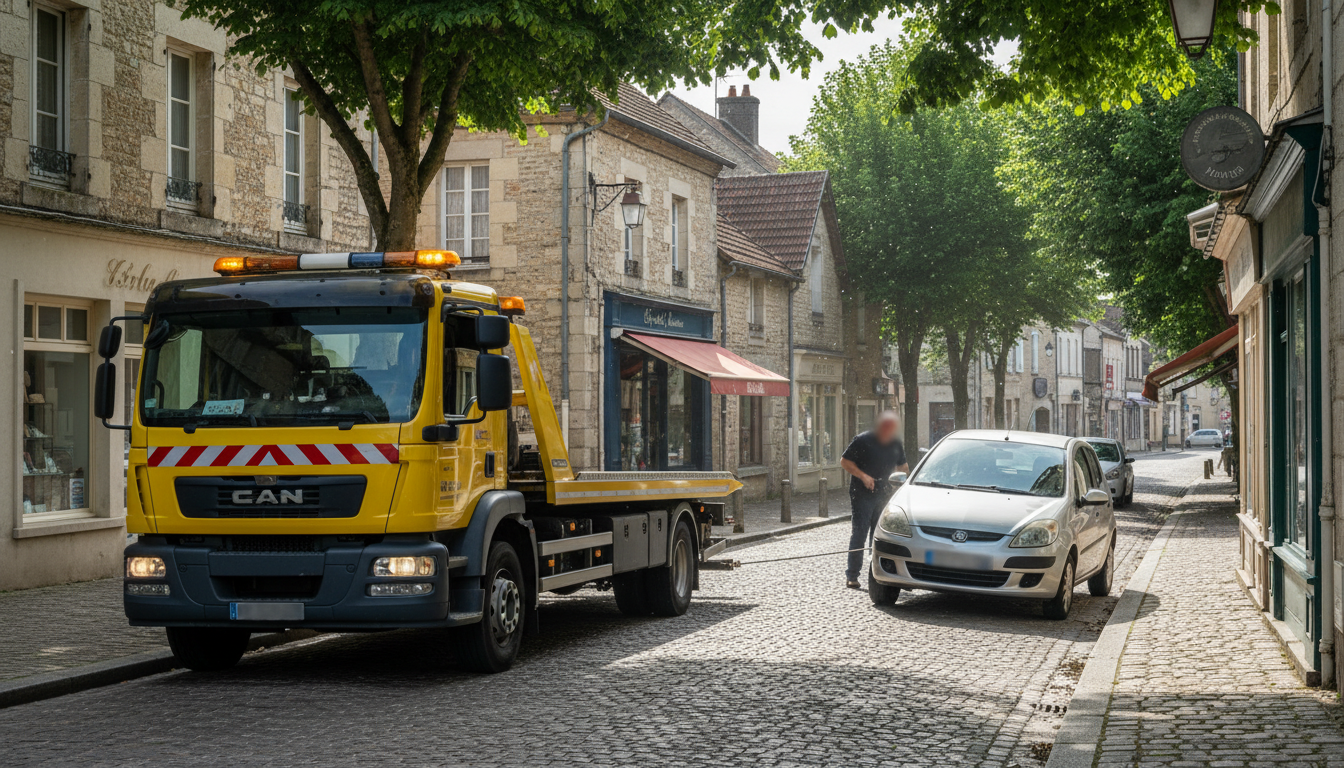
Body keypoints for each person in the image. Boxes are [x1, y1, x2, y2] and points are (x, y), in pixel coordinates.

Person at [839, 411, 909, 588]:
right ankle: (852, 575)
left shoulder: (895, 443)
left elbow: (903, 467)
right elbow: (845, 462)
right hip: (862, 493)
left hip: (885, 492)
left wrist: (901, 479)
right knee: (860, 533)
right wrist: (863, 476)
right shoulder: (863, 440)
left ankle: (878, 576)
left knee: (880, 535)